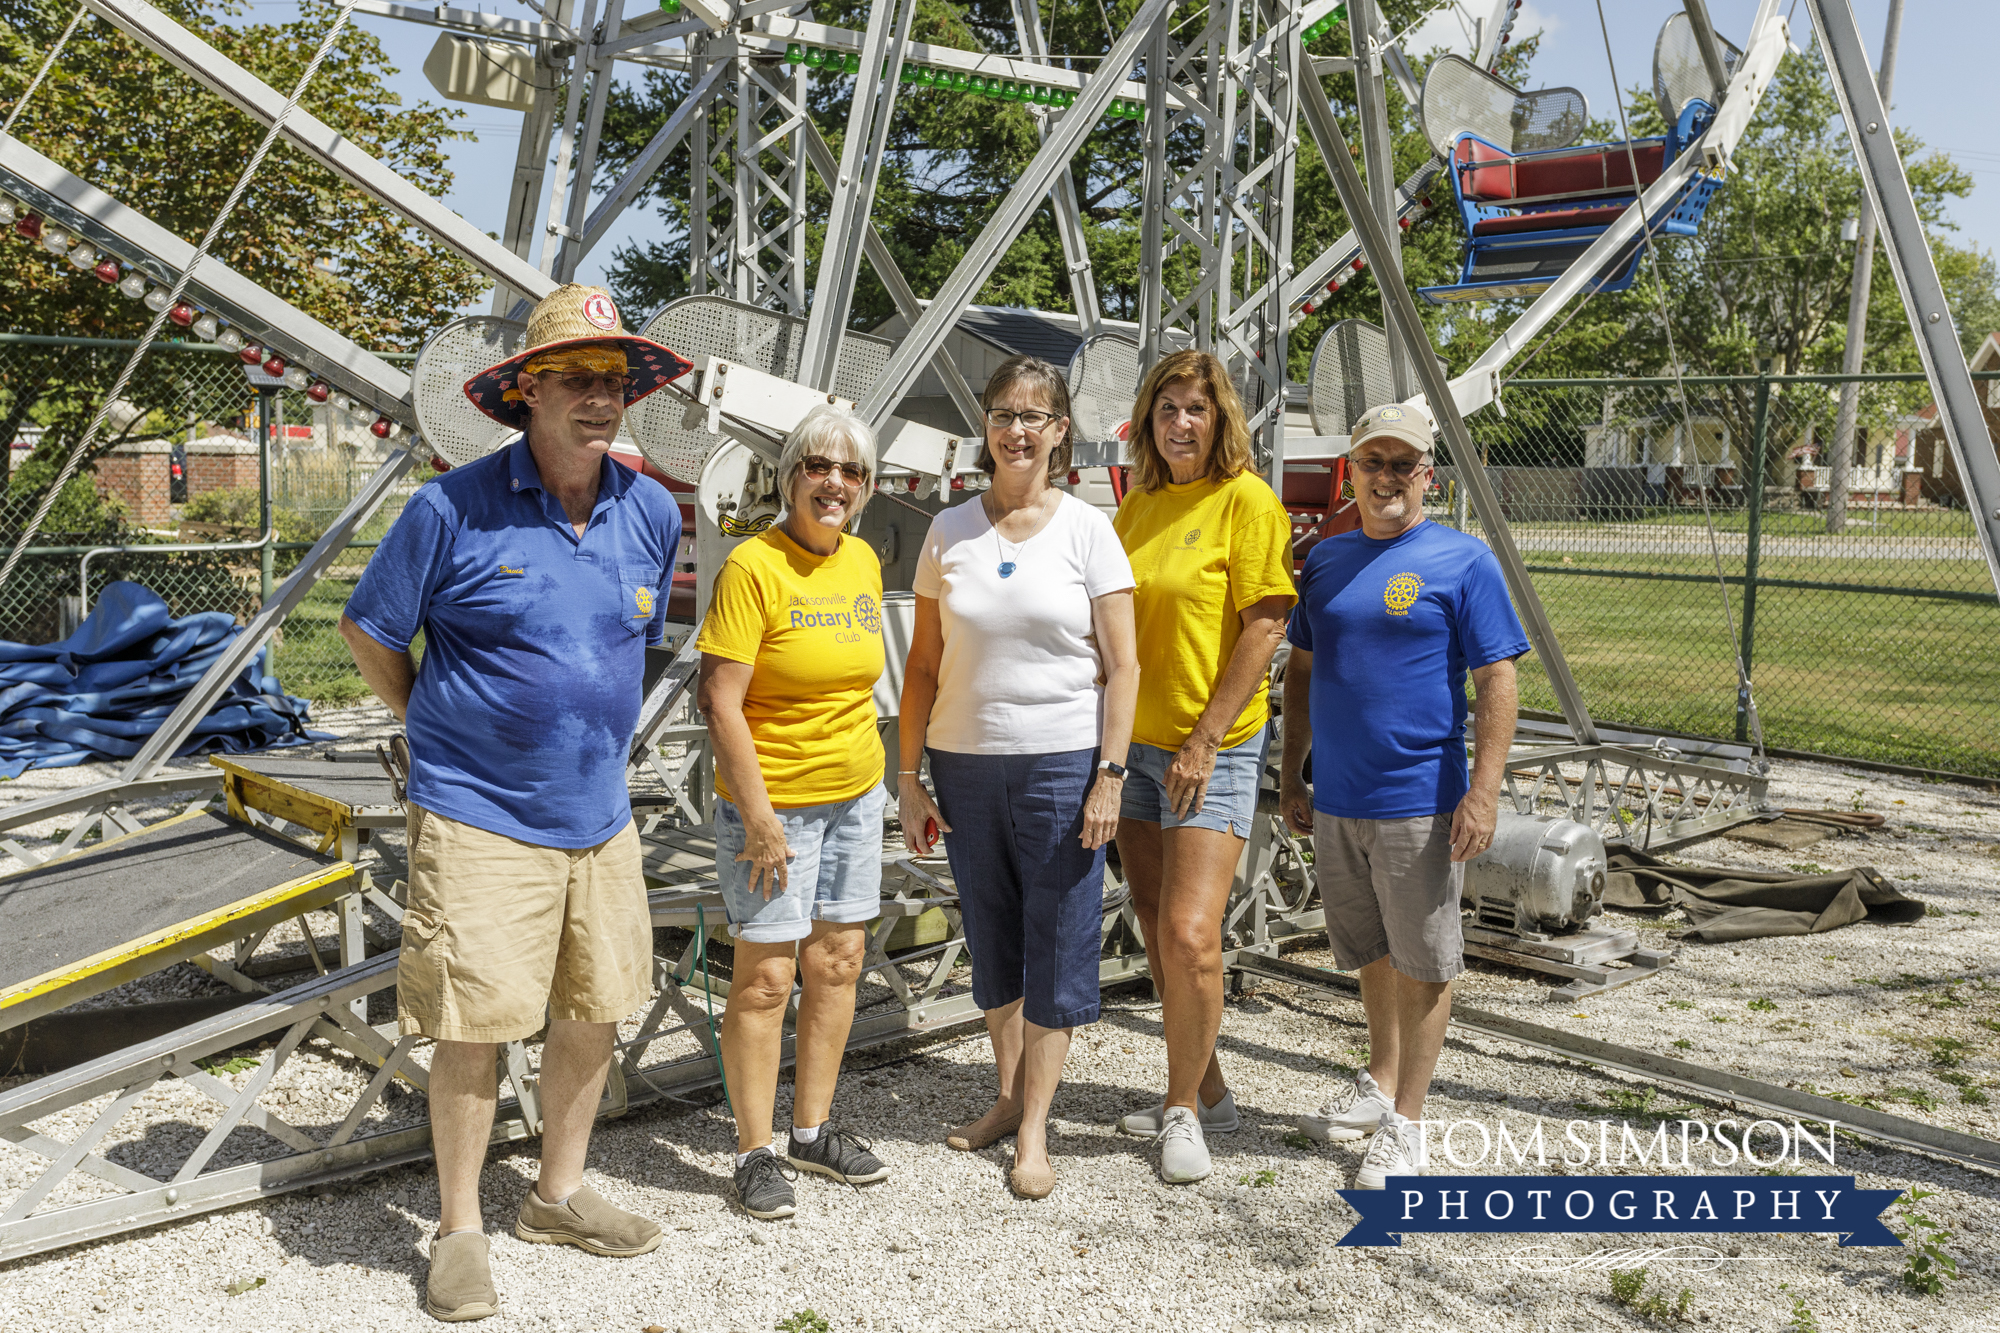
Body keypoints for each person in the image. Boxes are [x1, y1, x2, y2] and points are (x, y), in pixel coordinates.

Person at [339, 284, 690, 1323]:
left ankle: (557, 1193)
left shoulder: (651, 509)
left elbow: (633, 640)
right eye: (576, 379)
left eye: (613, 380)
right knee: (474, 1022)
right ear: (524, 392)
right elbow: (368, 631)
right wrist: (432, 726)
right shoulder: (448, 509)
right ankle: (458, 1229)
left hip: (599, 814)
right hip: (479, 813)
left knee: (594, 1007)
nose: (600, 399)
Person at [896, 355, 1141, 1199]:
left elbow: (1124, 665)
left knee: (1059, 942)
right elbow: (923, 665)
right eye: (1004, 413)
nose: (1018, 429)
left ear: (1060, 431)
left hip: (1062, 764)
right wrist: (909, 774)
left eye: (1035, 416)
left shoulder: (1087, 530)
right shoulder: (949, 530)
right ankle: (1007, 1095)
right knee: (993, 939)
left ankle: (1035, 1128)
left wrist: (1109, 774)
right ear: (986, 427)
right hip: (962, 764)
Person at [1278, 403, 1528, 1188]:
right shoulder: (1326, 559)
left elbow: (1498, 679)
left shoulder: (1464, 561)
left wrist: (1482, 793)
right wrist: (1292, 771)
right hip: (1338, 798)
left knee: (1424, 959)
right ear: (1351, 471)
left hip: (1419, 797)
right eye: (1372, 463)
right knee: (1373, 949)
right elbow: (1305, 671)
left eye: (1402, 464)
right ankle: (1381, 1079)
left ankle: (1408, 1124)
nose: (1386, 477)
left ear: (1429, 475)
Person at [694, 403, 893, 1221]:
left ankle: (810, 1130)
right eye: (817, 465)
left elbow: (857, 687)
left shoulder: (864, 562)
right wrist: (761, 813)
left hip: (854, 794)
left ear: (868, 486)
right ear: (790, 476)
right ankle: (753, 1150)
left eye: (850, 471)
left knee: (839, 963)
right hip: (772, 805)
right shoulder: (753, 566)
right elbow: (720, 700)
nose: (833, 483)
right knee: (768, 977)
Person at [1110, 349, 1297, 1184]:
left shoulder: (1246, 501)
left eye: (1196, 408)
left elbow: (1264, 628)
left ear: (1222, 417)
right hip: (1137, 750)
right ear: (1147, 422)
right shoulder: (1139, 505)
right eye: (1166, 409)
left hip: (1206, 747)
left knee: (1191, 934)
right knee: (1153, 920)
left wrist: (1206, 737)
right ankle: (1206, 1085)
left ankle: (1182, 1110)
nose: (1181, 423)